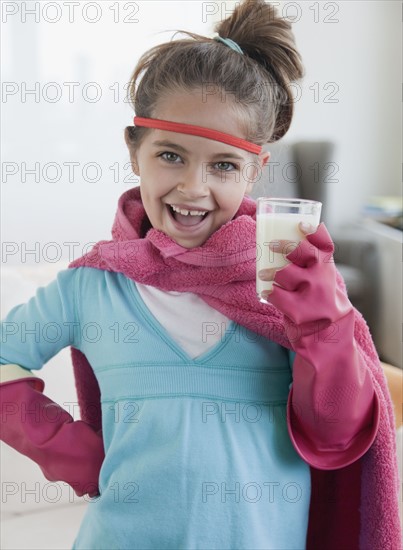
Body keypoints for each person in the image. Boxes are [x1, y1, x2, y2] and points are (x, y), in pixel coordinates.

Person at [0, 1, 400, 548]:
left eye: (224, 165)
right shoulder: (90, 286)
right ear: (134, 150)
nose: (193, 187)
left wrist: (325, 329)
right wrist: (69, 452)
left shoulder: (281, 285)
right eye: (170, 155)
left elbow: (336, 437)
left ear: (257, 169)